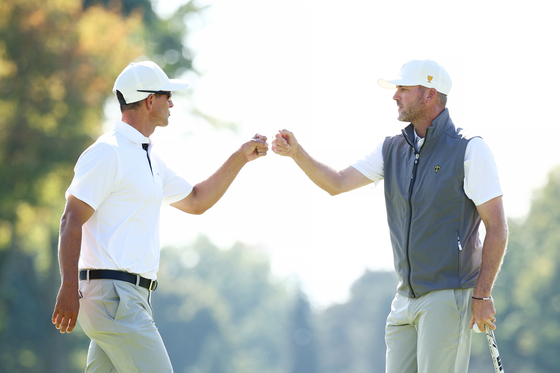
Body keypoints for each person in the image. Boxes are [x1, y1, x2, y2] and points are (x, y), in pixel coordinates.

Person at [272, 59, 508, 373]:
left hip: (447, 295)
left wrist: (482, 295)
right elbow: (337, 183)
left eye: (403, 89)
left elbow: (497, 227)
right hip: (403, 300)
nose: (395, 96)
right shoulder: (392, 149)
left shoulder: (469, 149)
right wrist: (297, 153)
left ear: (429, 94)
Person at [51, 61, 268, 372]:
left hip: (126, 299)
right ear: (149, 100)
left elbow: (196, 200)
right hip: (114, 298)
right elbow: (70, 219)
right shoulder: (107, 152)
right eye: (167, 95)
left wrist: (241, 157)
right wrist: (68, 285)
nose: (172, 102)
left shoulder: (148, 158)